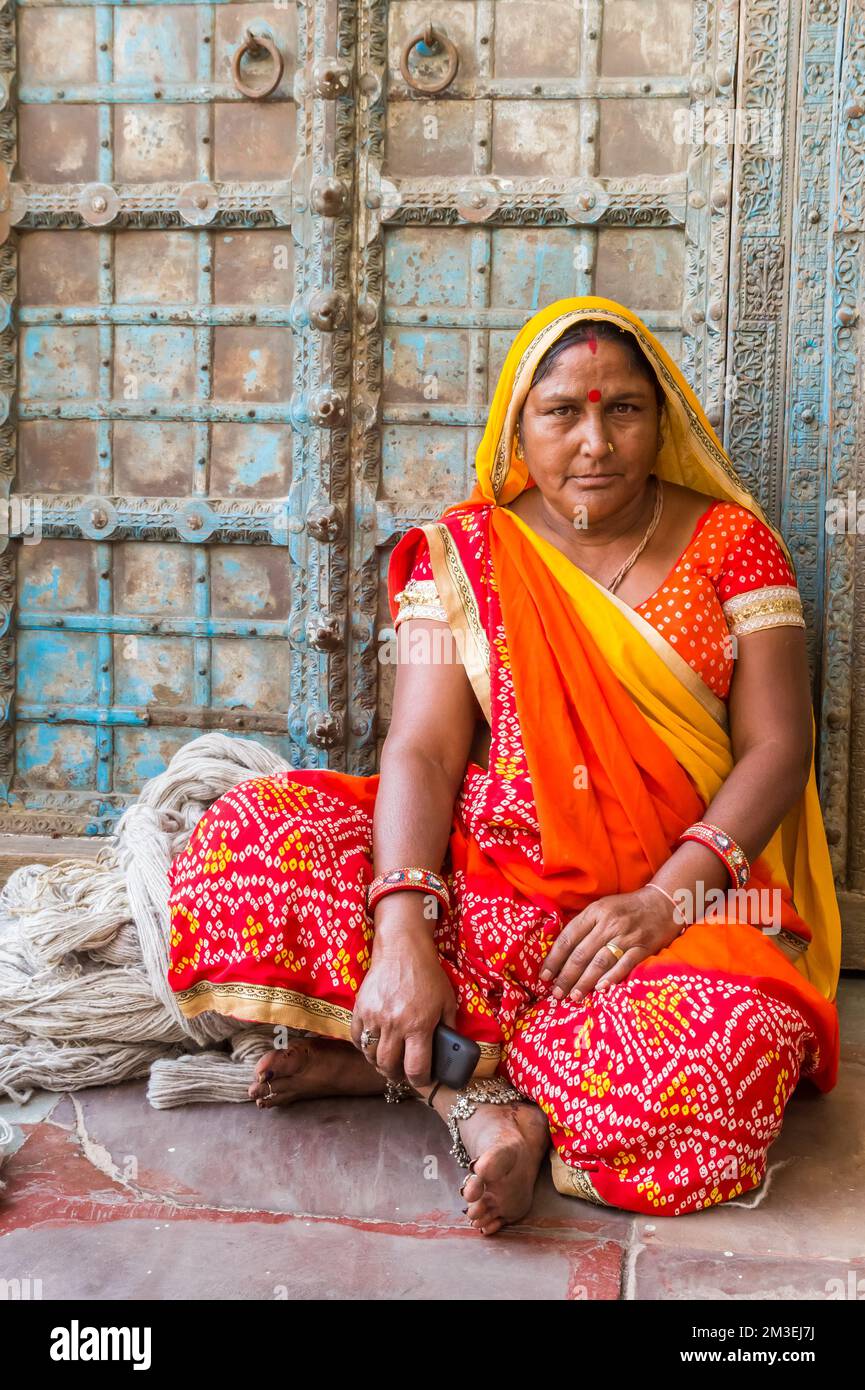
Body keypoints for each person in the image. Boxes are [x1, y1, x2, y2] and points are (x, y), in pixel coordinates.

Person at [166, 296, 841, 1234]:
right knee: (245, 843)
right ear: (517, 428)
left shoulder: (731, 543)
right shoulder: (465, 552)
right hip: (488, 890)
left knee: (716, 1061)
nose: (595, 442)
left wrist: (661, 903)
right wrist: (403, 930)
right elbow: (423, 747)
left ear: (662, 421)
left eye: (623, 410)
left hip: (678, 911)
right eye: (562, 412)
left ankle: (405, 1065)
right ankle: (473, 1100)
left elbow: (777, 746)